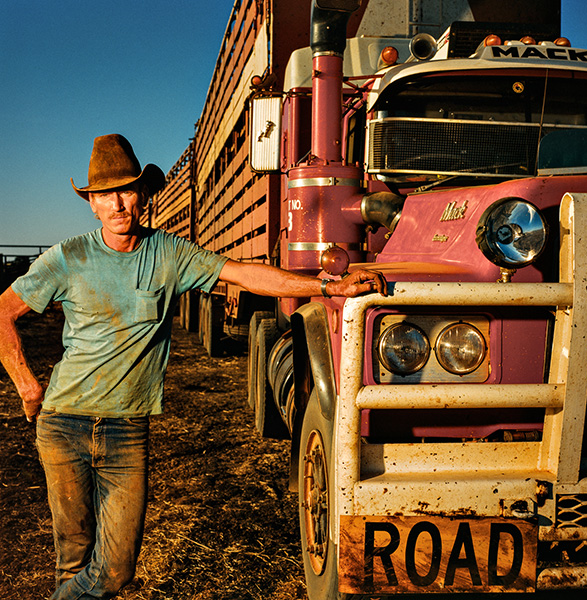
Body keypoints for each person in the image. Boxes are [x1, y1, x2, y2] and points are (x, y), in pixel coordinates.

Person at [0, 134, 386, 599]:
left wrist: (326, 286)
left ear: (143, 195)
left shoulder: (168, 253)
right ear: (92, 204)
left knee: (116, 570)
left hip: (126, 431)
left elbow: (242, 273)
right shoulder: (69, 258)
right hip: (63, 425)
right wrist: (27, 386)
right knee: (74, 557)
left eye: (127, 190)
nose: (119, 203)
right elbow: (4, 312)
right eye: (106, 194)